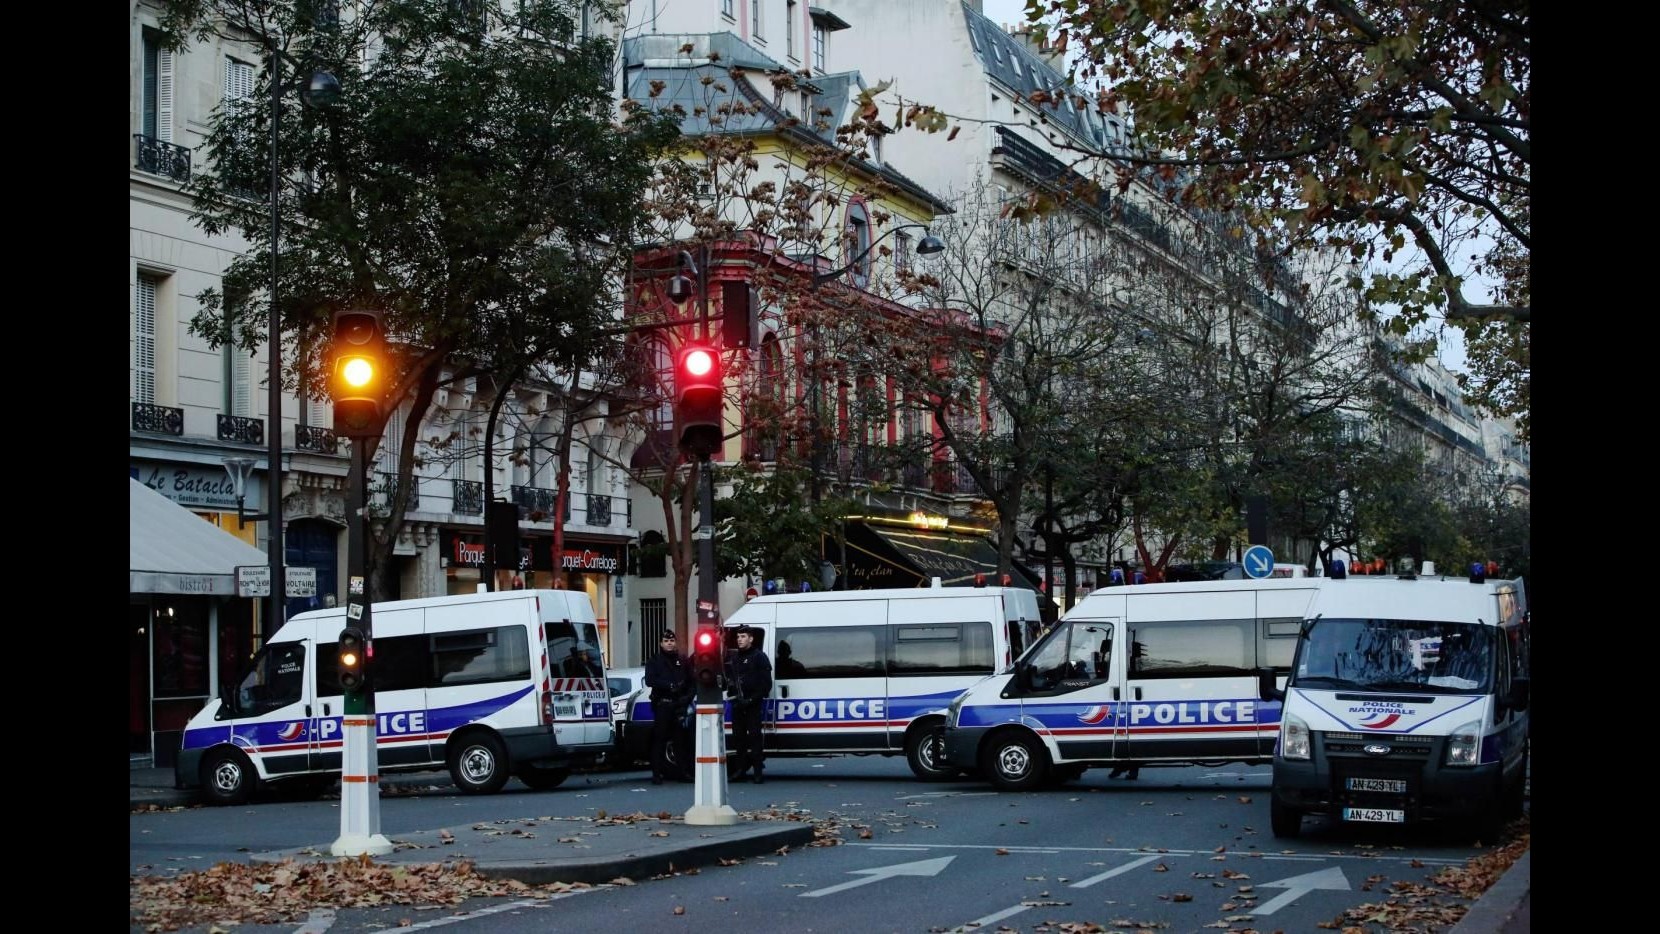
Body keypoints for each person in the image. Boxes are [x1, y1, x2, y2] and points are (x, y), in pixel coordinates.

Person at [643, 631, 692, 785]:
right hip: (663, 704)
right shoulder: (655, 661)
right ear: (661, 643)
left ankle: (683, 772)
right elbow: (650, 681)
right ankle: (656, 774)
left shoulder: (682, 661)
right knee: (659, 740)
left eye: (672, 640)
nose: (669, 643)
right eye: (666, 640)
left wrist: (687, 698)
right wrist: (669, 685)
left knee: (680, 740)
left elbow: (691, 682)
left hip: (678, 705)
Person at [725, 626, 773, 783]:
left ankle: (758, 772)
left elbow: (766, 684)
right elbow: (730, 681)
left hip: (752, 705)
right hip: (738, 705)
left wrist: (752, 700)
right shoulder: (734, 658)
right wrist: (734, 696)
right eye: (738, 637)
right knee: (739, 740)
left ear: (751, 639)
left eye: (743, 636)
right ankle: (740, 770)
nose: (739, 639)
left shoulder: (759, 657)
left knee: (755, 739)